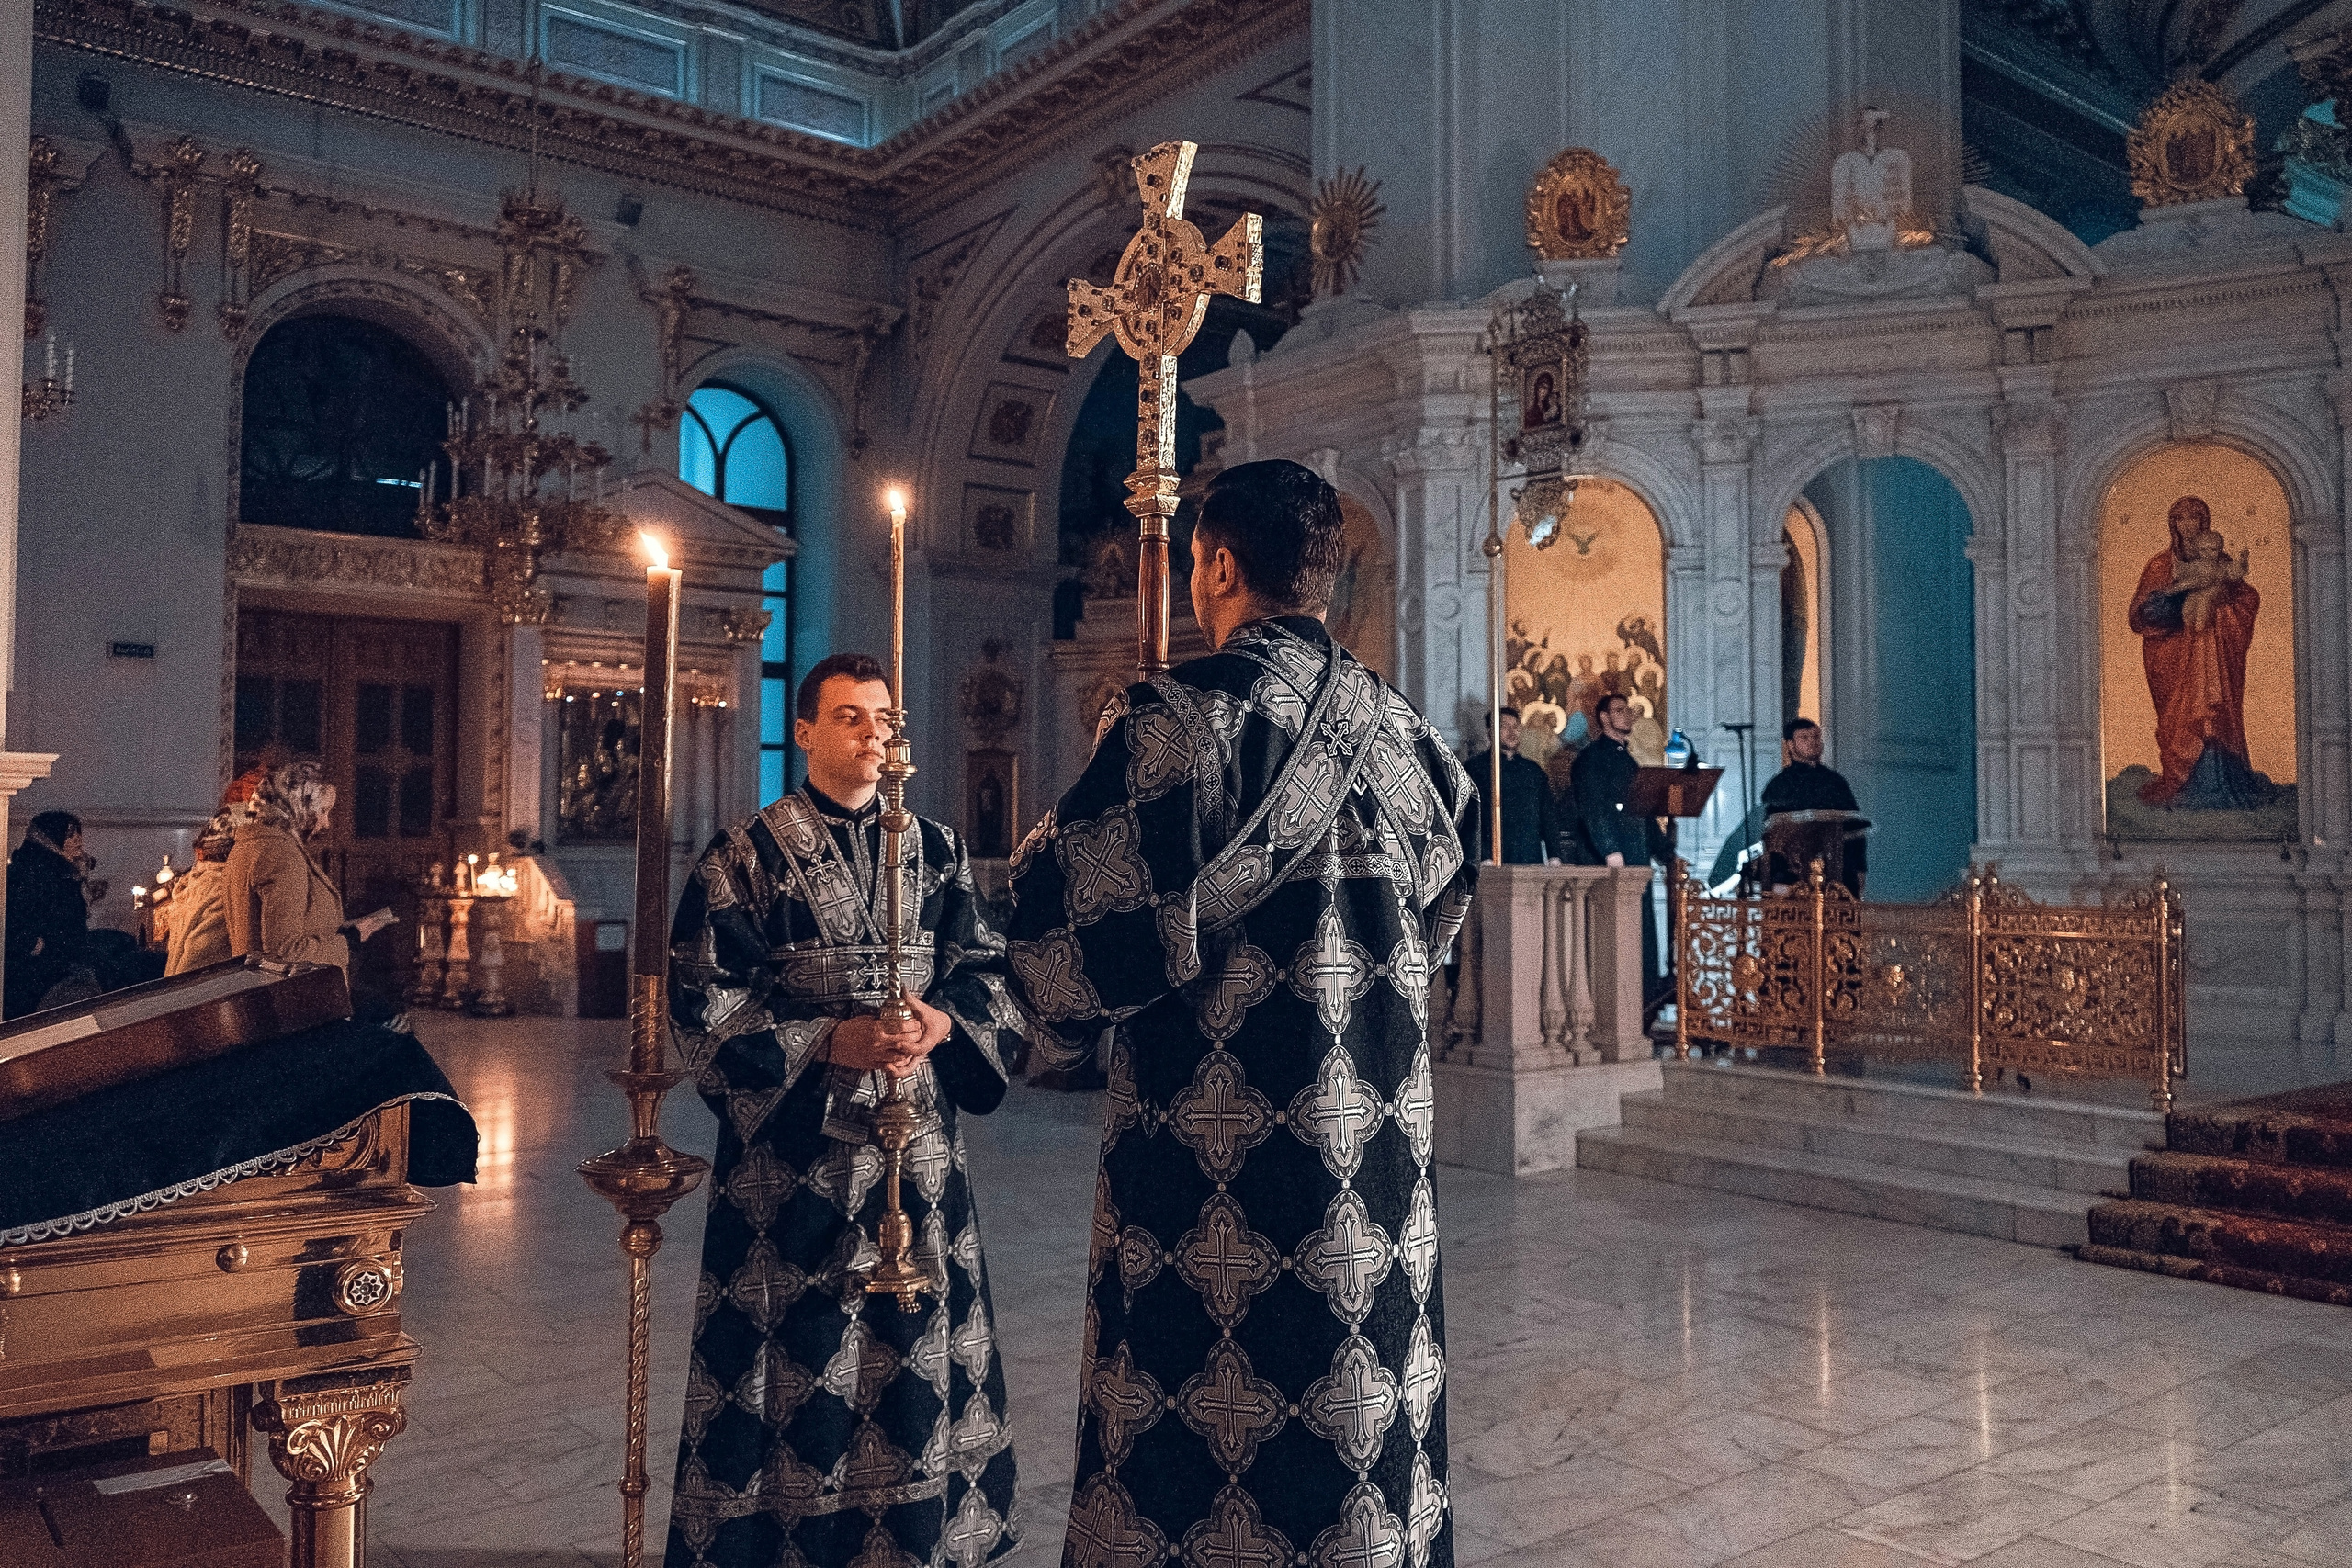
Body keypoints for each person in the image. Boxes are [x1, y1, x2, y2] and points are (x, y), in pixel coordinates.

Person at [1005, 460, 1476, 1568]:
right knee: (1363, 1408)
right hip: (1374, 1170)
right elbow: (1448, 907)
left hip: (1207, 1174)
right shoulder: (1410, 738)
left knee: (1198, 1437)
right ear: (1325, 573)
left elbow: (1056, 926)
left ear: (1214, 564)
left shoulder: (1179, 718)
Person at [663, 652, 1023, 1568]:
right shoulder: (744, 853)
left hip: (920, 1158)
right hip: (793, 1169)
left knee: (911, 1349)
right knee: (802, 1351)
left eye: (885, 719)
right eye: (852, 718)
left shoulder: (937, 849)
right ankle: (788, 1540)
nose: (873, 734)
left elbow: (984, 973)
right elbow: (704, 999)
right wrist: (827, 1039)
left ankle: (913, 1539)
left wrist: (943, 1022)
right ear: (808, 731)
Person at [2129, 495, 2265, 806]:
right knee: (2180, 719)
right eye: (2181, 519)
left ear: (2205, 524)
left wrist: (2220, 608)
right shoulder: (2161, 565)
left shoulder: (2222, 561)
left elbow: (2247, 597)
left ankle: (2221, 786)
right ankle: (2180, 783)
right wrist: (2163, 607)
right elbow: (2138, 615)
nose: (2188, 526)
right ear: (2172, 525)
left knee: (2212, 714)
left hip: (2212, 655)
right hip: (2174, 655)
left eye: (2194, 519)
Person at [224, 761, 395, 976]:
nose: (326, 823)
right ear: (299, 805)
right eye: (322, 811)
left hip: (259, 992)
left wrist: (344, 929)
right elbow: (285, 953)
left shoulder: (250, 845)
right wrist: (350, 941)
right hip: (292, 1001)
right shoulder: (280, 853)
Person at [1569, 692, 1664, 991]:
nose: (1627, 715)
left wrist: (1666, 852)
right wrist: (1611, 851)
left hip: (1636, 858)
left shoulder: (1630, 762)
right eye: (1619, 710)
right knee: (1611, 936)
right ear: (1604, 718)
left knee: (1639, 934)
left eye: (1629, 710)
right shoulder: (1591, 759)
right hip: (1610, 862)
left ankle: (1643, 1006)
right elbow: (1593, 809)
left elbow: (1644, 813)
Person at [1761, 718, 1867, 897]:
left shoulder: (1836, 782)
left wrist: (1860, 869)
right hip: (1792, 876)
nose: (1812, 742)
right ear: (1790, 745)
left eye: (1816, 737)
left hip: (1838, 874)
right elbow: (1774, 837)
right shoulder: (1778, 785)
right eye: (1804, 738)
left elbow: (1854, 829)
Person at [5, 810, 91, 1018]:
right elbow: (17, 918)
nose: (77, 839)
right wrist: (35, 945)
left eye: (78, 832)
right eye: (69, 833)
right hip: (43, 971)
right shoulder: (33, 871)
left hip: (60, 961)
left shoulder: (63, 870)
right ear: (51, 836)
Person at [1465, 705, 1573, 863]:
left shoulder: (1533, 771)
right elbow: (1470, 818)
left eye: (1515, 727)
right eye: (1504, 727)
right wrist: (1484, 855)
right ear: (1490, 731)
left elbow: (1547, 815)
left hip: (1529, 855)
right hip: (1492, 858)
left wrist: (1554, 855)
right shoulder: (1475, 769)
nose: (1512, 732)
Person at [164, 813, 238, 976]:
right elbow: (198, 960)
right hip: (206, 992)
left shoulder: (191, 884)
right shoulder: (224, 889)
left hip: (177, 989)